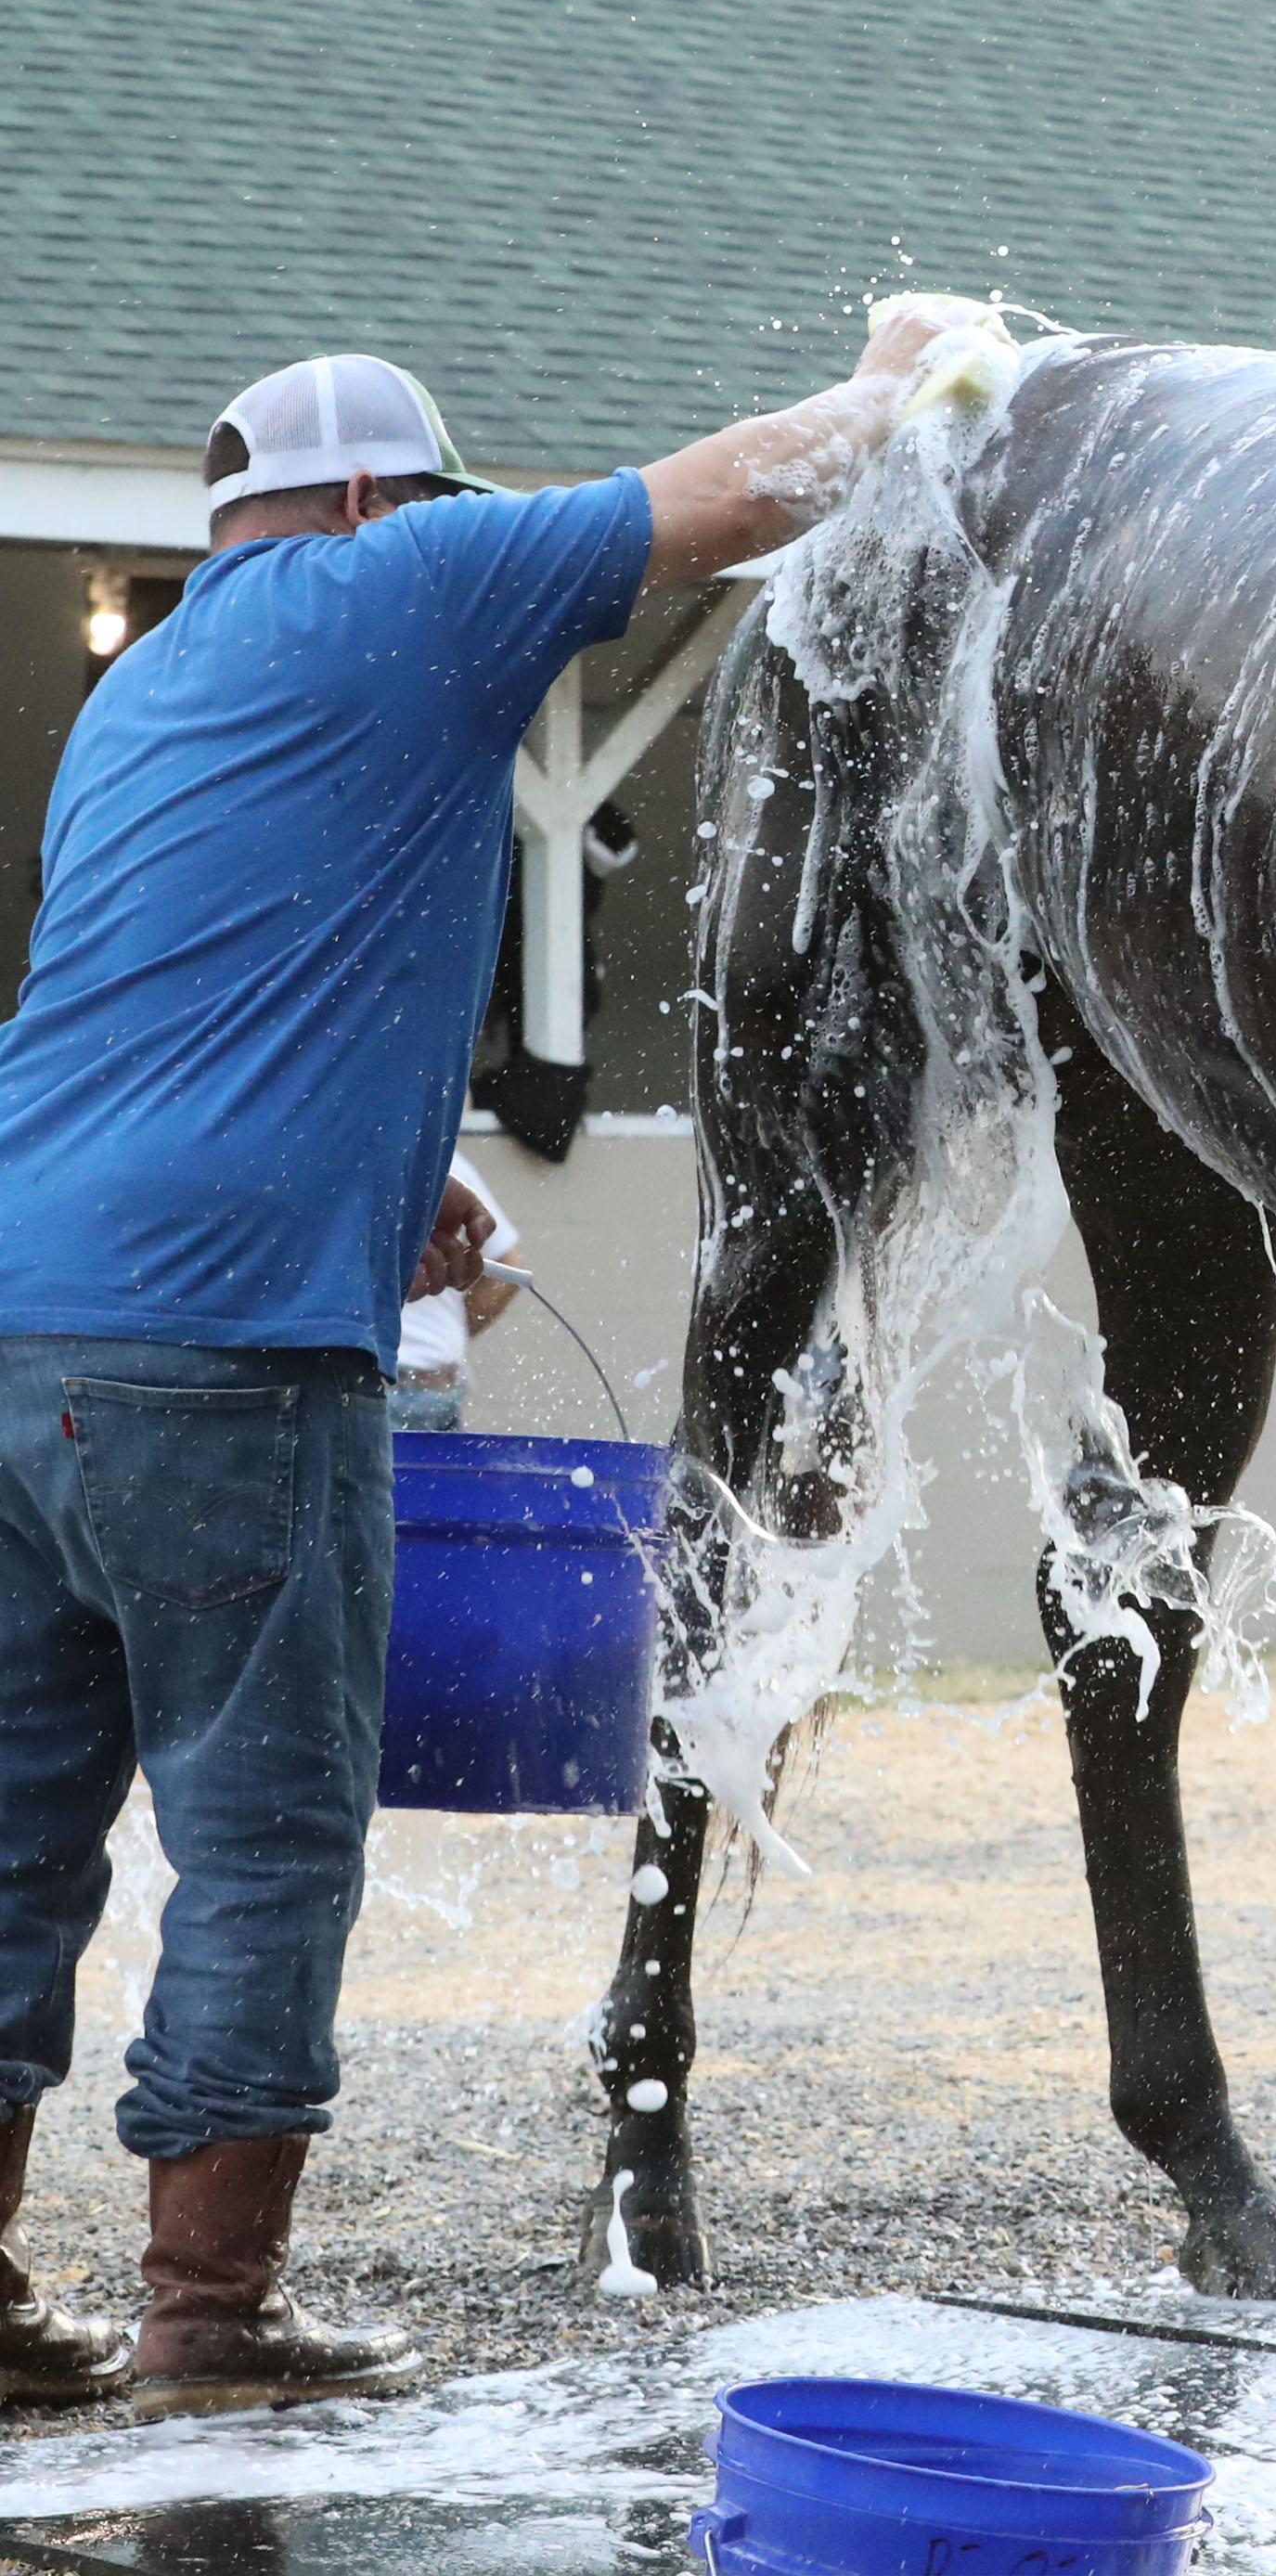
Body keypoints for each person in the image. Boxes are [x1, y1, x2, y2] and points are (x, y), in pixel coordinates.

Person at [0, 297, 988, 2417]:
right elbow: (738, 489)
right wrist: (929, 369)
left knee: (9, 1839)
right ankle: (209, 2318)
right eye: (431, 506)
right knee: (266, 1841)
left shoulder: (150, 684)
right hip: (226, 1359)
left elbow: (200, 981)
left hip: (21, 1326)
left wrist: (407, 1168)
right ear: (369, 505)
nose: (458, 537)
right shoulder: (410, 579)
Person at [389, 1149, 524, 1432]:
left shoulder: (340, 1154)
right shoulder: (445, 1157)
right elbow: (511, 1266)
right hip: (438, 1382)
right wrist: (448, 1335)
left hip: (372, 1383)